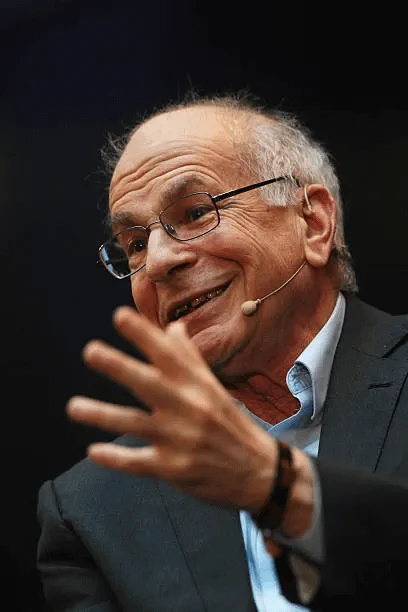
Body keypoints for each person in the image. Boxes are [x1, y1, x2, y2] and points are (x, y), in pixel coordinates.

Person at [36, 94, 408, 611]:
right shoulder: (90, 509)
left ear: (313, 223)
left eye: (195, 212)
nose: (158, 261)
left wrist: (281, 490)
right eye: (135, 244)